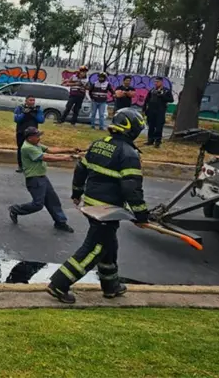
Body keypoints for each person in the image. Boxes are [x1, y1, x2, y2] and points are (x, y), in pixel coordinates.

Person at [46, 108, 149, 304]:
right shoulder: (128, 154)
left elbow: (80, 169)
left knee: (109, 245)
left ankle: (111, 286)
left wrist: (77, 193)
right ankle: (59, 284)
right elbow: (131, 189)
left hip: (92, 204)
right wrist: (142, 216)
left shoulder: (98, 144)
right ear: (132, 129)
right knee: (96, 248)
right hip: (107, 210)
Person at [8, 127, 79, 233]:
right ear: (30, 138)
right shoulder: (27, 148)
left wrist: (69, 150)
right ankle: (15, 209)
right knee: (38, 204)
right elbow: (46, 157)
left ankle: (60, 222)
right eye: (37, 136)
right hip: (34, 179)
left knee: (53, 200)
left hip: (42, 177)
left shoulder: (35, 144)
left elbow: (50, 150)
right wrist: (65, 158)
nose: (39, 138)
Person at [14, 95, 45, 173]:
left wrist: (35, 113)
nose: (32, 102)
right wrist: (24, 113)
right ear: (26, 101)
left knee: (34, 148)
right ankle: (20, 166)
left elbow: (41, 120)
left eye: (33, 100)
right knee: (20, 148)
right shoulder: (20, 108)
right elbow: (16, 119)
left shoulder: (38, 109)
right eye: (30, 100)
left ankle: (31, 166)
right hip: (21, 131)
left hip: (33, 133)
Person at [143, 76, 174, 148]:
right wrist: (144, 109)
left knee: (159, 127)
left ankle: (157, 141)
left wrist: (162, 96)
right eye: (155, 82)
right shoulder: (152, 90)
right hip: (151, 111)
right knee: (151, 126)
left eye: (157, 82)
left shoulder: (166, 91)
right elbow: (147, 100)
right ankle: (150, 140)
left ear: (161, 82)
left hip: (160, 111)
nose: (156, 83)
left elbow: (171, 100)